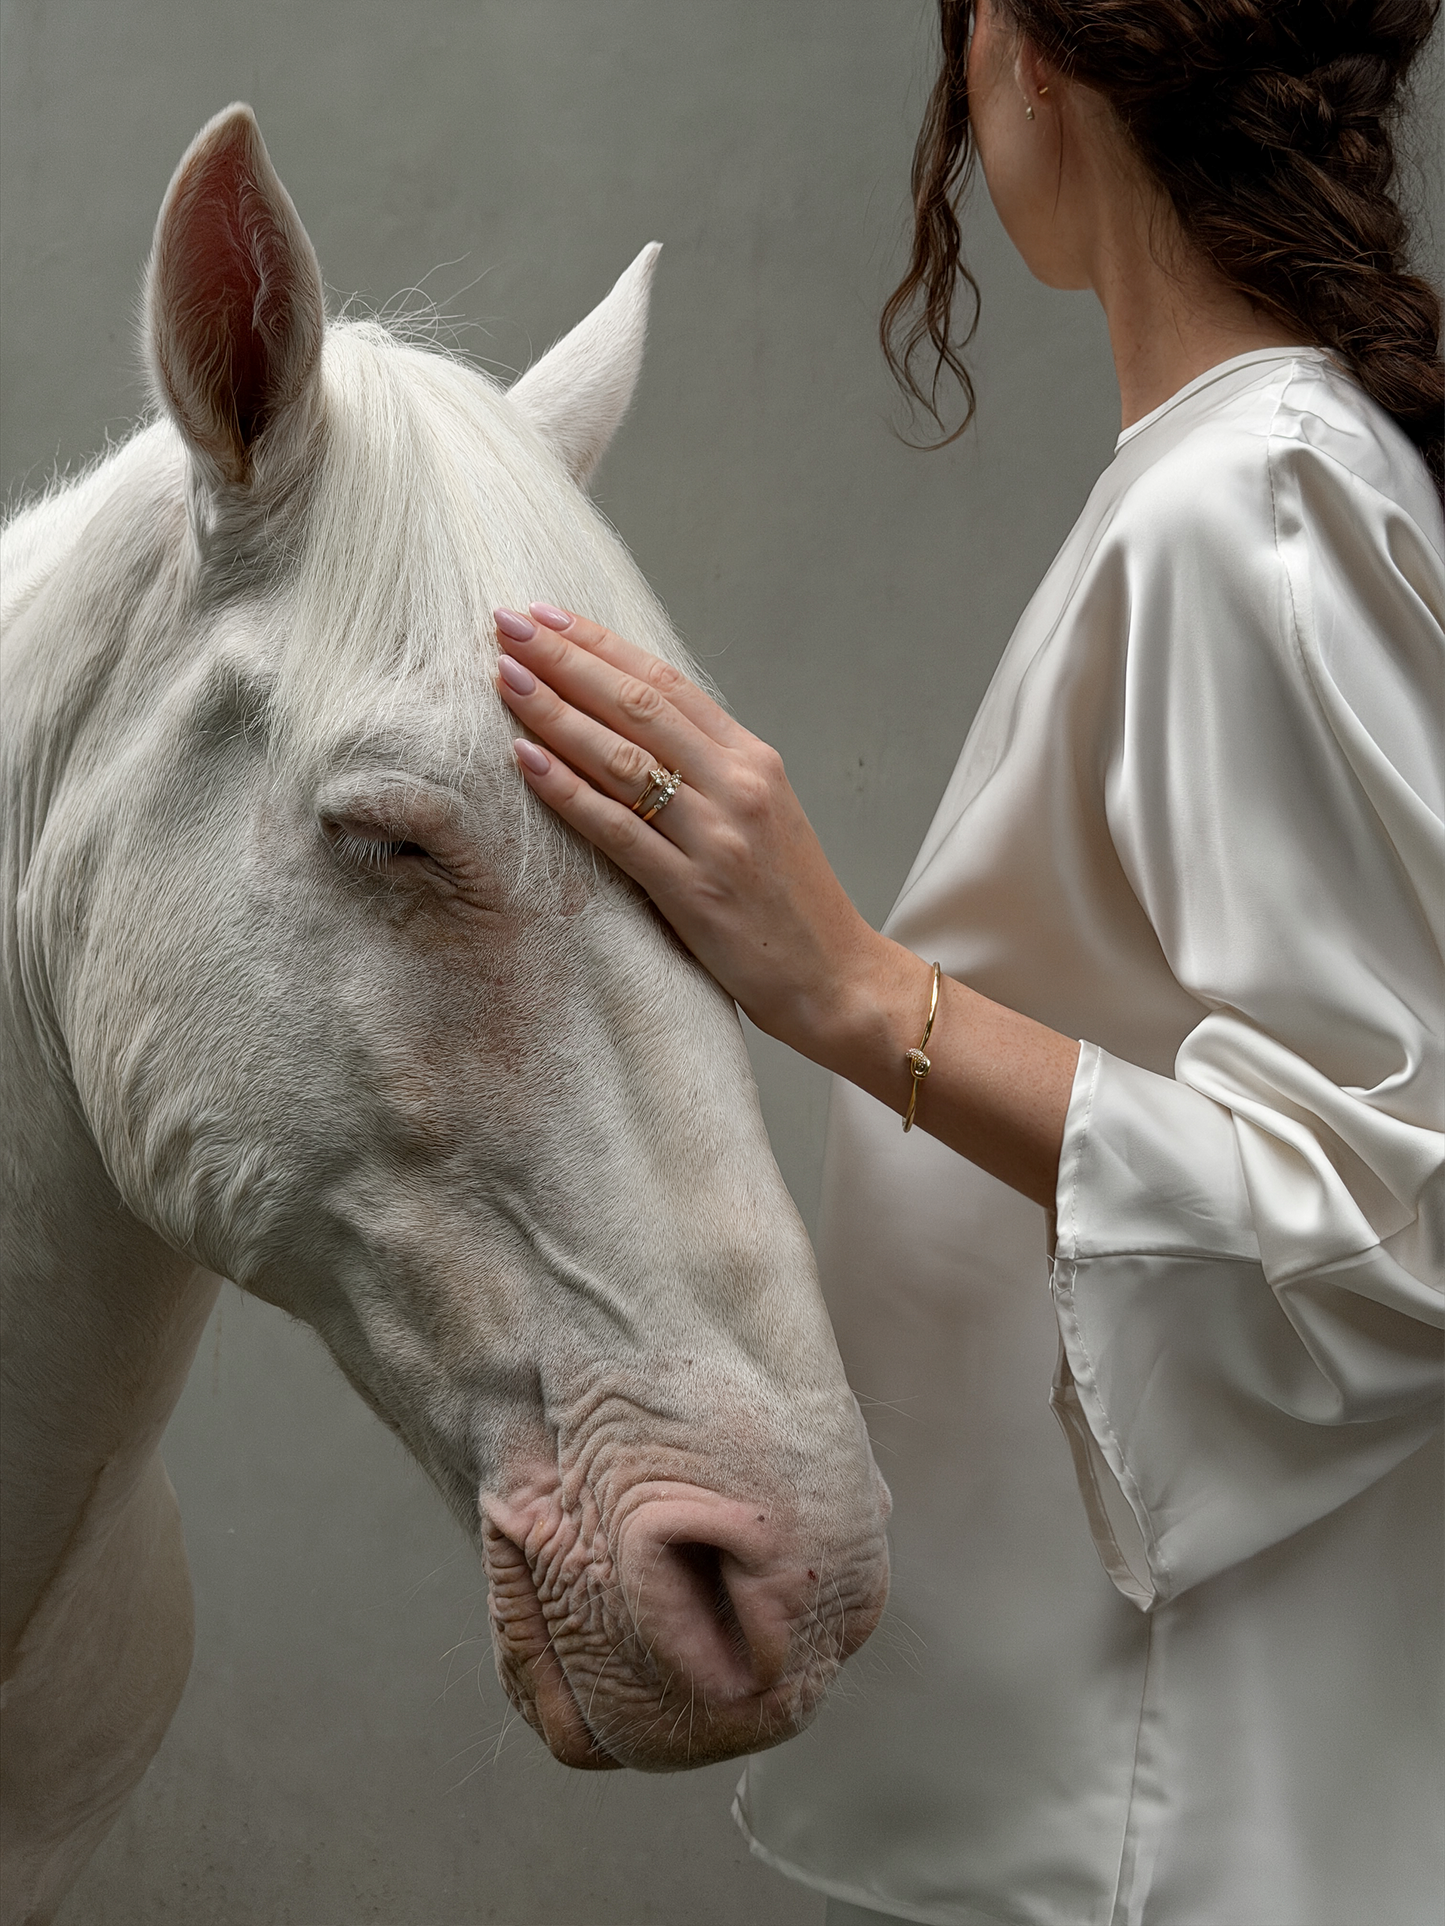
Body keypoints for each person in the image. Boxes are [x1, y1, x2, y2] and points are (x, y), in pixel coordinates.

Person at [490, 0, 1444, 1919]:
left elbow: (1389, 1209)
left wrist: (847, 987)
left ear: (1022, 52)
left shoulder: (1245, 507)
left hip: (1188, 1809)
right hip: (1125, 1769)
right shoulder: (1230, 482)